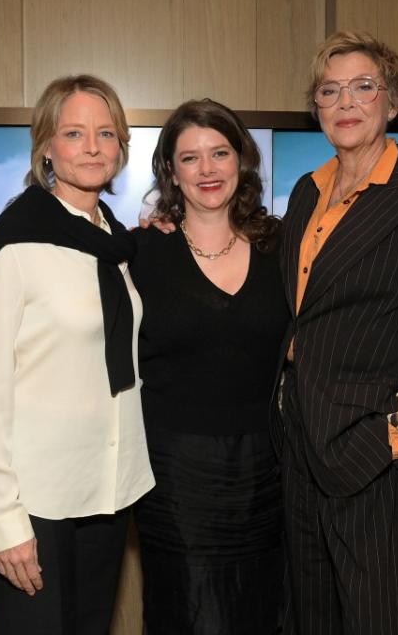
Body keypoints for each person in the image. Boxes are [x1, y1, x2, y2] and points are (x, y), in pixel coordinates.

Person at [276, 31, 398, 634]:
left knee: (373, 623)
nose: (346, 103)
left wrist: (393, 442)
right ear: (316, 109)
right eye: (330, 91)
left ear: (392, 102)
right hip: (293, 450)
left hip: (367, 460)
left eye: (364, 87)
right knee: (309, 622)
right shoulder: (305, 192)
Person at [0, 75, 154, 634]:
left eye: (106, 133)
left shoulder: (116, 242)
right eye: (74, 132)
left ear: (120, 148)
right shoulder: (17, 244)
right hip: (37, 501)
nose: (92, 146)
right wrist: (3, 518)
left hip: (108, 491)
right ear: (46, 146)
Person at [131, 99, 288, 634]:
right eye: (190, 158)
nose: (207, 170)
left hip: (267, 472)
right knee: (189, 615)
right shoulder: (140, 251)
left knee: (262, 613)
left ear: (242, 160)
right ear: (170, 170)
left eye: (219, 153)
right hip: (174, 477)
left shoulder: (281, 245)